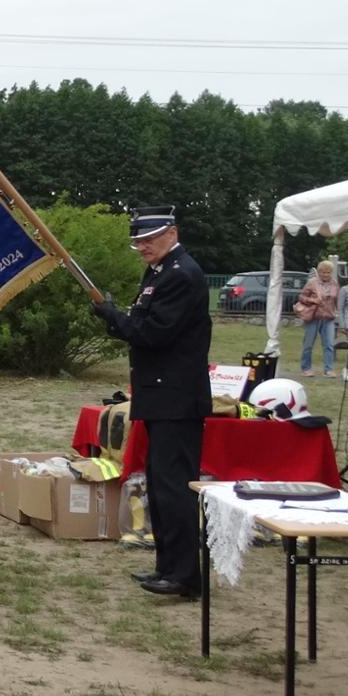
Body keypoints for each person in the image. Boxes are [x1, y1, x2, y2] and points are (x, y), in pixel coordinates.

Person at [92, 205, 210, 599]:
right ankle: (168, 566)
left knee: (175, 487)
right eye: (138, 241)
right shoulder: (160, 272)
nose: (141, 247)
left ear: (171, 234)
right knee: (160, 485)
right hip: (160, 396)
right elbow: (145, 326)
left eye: (148, 239)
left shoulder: (182, 275)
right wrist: (116, 318)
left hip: (176, 398)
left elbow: (154, 334)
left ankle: (184, 575)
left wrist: (113, 317)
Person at [295, 261, 339, 377]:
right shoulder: (312, 283)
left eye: (328, 272)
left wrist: (337, 311)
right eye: (323, 272)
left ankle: (329, 369)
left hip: (328, 317)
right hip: (313, 317)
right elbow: (301, 297)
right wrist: (312, 300)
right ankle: (306, 368)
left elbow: (337, 300)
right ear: (319, 272)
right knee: (308, 344)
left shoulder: (334, 283)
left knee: (329, 344)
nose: (325, 275)